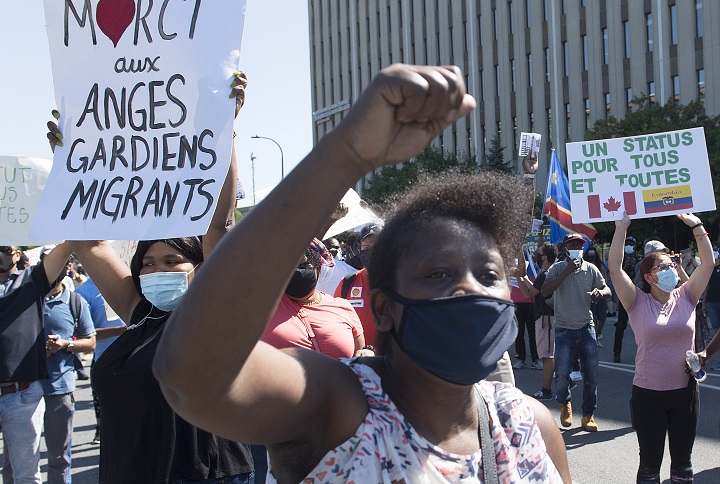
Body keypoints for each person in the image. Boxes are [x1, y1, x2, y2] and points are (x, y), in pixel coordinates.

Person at [154, 64, 571, 483]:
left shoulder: (529, 424)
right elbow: (192, 373)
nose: (468, 286)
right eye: (438, 274)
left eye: (488, 274)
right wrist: (345, 155)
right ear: (384, 308)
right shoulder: (338, 409)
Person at [56, 72, 254, 484]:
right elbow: (89, 244)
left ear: (200, 266)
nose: (155, 271)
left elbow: (219, 224)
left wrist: (224, 130)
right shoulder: (138, 309)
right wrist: (70, 162)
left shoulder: (213, 310)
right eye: (147, 263)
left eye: (170, 261)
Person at [608, 212, 712, 483]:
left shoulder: (687, 295)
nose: (671, 270)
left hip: (685, 394)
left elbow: (709, 264)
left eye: (673, 264)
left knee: (682, 465)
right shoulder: (636, 301)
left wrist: (697, 226)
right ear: (649, 277)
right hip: (648, 396)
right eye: (663, 267)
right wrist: (621, 228)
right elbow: (615, 270)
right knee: (650, 467)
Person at [0, 243, 73, 483]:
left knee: (25, 475)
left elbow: (65, 248)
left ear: (17, 254)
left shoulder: (32, 281)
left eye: (3, 247)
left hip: (20, 396)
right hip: (20, 395)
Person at [541, 233, 611, 432]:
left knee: (591, 375)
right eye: (572, 245)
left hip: (586, 327)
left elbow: (607, 289)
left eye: (579, 246)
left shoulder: (591, 268)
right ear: (565, 248)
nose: (577, 249)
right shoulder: (557, 268)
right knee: (562, 374)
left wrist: (600, 293)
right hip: (563, 329)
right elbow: (545, 291)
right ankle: (564, 403)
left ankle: (588, 414)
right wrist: (567, 272)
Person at [40, 274, 96, 484]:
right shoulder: (25, 299)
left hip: (59, 388)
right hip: (23, 390)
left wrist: (64, 345)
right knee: (18, 459)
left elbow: (90, 342)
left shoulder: (74, 301)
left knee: (58, 458)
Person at [74, 277, 127, 444]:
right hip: (106, 360)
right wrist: (120, 331)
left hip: (136, 358)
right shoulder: (83, 293)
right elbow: (84, 335)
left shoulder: (134, 282)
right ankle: (102, 431)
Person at [517, 243, 559, 400]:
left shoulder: (545, 274)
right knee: (552, 353)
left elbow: (528, 294)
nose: (535, 255)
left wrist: (518, 278)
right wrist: (525, 278)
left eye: (538, 253)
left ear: (545, 257)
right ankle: (565, 381)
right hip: (551, 317)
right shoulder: (551, 272)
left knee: (548, 356)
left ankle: (546, 391)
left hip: (546, 319)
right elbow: (537, 290)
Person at [334, 223, 380, 348]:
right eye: (367, 246)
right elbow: (336, 321)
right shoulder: (348, 282)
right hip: (360, 360)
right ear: (359, 250)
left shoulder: (400, 281)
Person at [612, 235, 639, 362]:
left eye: (631, 244)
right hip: (624, 295)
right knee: (621, 325)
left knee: (641, 326)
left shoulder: (640, 259)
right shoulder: (621, 260)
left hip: (638, 295)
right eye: (626, 244)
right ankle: (616, 352)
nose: (629, 247)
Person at [585, 245, 608, 346]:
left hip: (601, 294)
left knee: (602, 318)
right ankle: (593, 338)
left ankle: (597, 335)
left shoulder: (600, 265)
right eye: (589, 255)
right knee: (592, 318)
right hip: (590, 295)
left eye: (593, 254)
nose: (591, 256)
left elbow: (605, 280)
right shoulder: (584, 266)